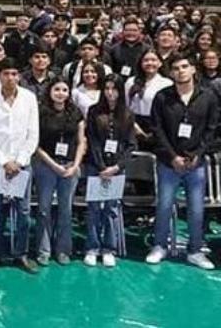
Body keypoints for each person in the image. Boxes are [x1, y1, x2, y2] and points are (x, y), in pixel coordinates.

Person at [147, 55, 218, 270]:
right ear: (171, 73)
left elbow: (211, 129)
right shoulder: (162, 97)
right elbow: (157, 129)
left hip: (196, 163)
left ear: (194, 69)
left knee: (196, 209)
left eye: (185, 66)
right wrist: (172, 156)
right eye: (176, 68)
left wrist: (198, 154)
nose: (181, 71)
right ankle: (159, 246)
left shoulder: (208, 96)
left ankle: (195, 251)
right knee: (164, 206)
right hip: (169, 163)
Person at [0, 58, 40, 274]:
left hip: (22, 166)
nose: (10, 78)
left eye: (14, 74)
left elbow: (33, 134)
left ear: (19, 76)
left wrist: (19, 161)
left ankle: (21, 254)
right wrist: (4, 161)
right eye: (6, 74)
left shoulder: (29, 98)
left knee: (23, 212)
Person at [33, 78, 86, 267]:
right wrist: (53, 165)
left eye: (64, 90)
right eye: (56, 89)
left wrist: (75, 165)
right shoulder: (40, 113)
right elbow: (35, 144)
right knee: (44, 209)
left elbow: (81, 142)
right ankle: (43, 250)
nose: (60, 93)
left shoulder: (76, 113)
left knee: (66, 209)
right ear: (49, 91)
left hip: (70, 166)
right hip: (45, 166)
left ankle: (63, 250)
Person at [84, 74, 136, 268]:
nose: (110, 92)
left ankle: (109, 248)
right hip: (96, 167)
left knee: (111, 209)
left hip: (116, 168)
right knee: (94, 208)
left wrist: (116, 167)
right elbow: (92, 141)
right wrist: (101, 167)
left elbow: (131, 145)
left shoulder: (128, 114)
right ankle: (92, 247)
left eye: (114, 89)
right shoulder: (94, 111)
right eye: (106, 88)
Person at [125, 49, 173, 149]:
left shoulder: (167, 83)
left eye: (153, 60)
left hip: (157, 125)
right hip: (134, 125)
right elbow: (126, 106)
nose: (149, 63)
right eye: (146, 60)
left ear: (160, 63)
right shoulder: (131, 82)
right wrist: (134, 126)